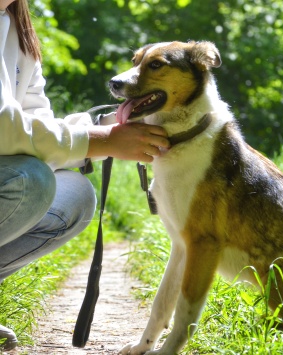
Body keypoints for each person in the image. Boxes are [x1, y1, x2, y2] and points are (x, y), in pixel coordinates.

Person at [0, 0, 170, 350]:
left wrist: (104, 126)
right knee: (31, 181)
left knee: (75, 196)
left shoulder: (16, 28)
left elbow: (36, 126)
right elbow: (4, 129)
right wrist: (103, 141)